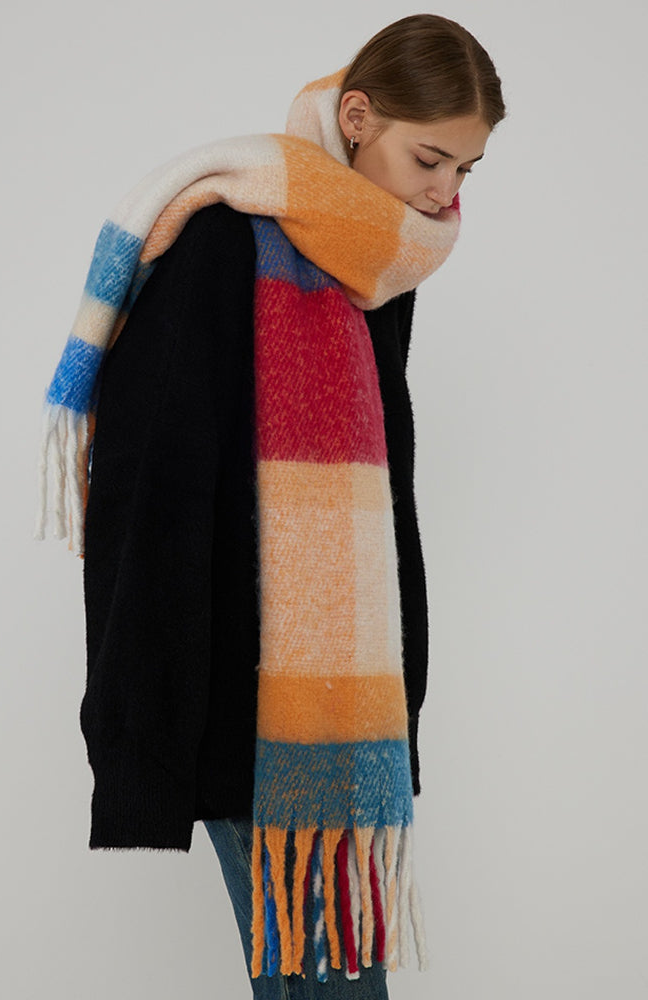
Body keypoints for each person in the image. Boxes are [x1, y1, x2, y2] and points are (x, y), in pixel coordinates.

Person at [37, 13, 505, 999]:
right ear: (357, 116)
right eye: (430, 160)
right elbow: (150, 479)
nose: (445, 193)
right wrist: (147, 726)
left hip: (339, 710)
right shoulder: (226, 239)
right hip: (242, 702)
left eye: (466, 169)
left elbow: (381, 498)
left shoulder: (370, 265)